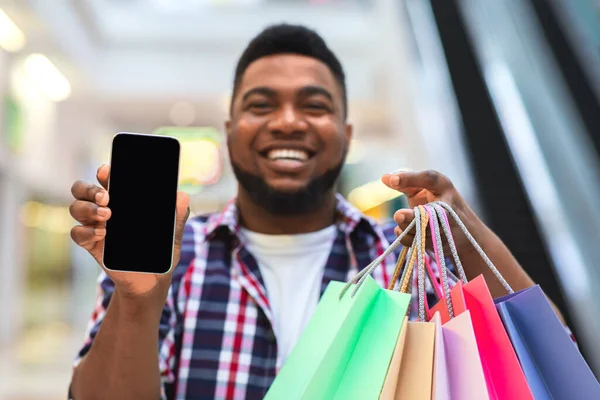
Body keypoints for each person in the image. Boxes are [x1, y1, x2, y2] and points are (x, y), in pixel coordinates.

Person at [68, 24, 564, 400]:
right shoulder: (174, 256)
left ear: (346, 135)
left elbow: (549, 366)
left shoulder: (407, 259)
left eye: (314, 105)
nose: (287, 122)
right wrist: (136, 302)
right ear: (229, 128)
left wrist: (468, 234)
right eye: (262, 105)